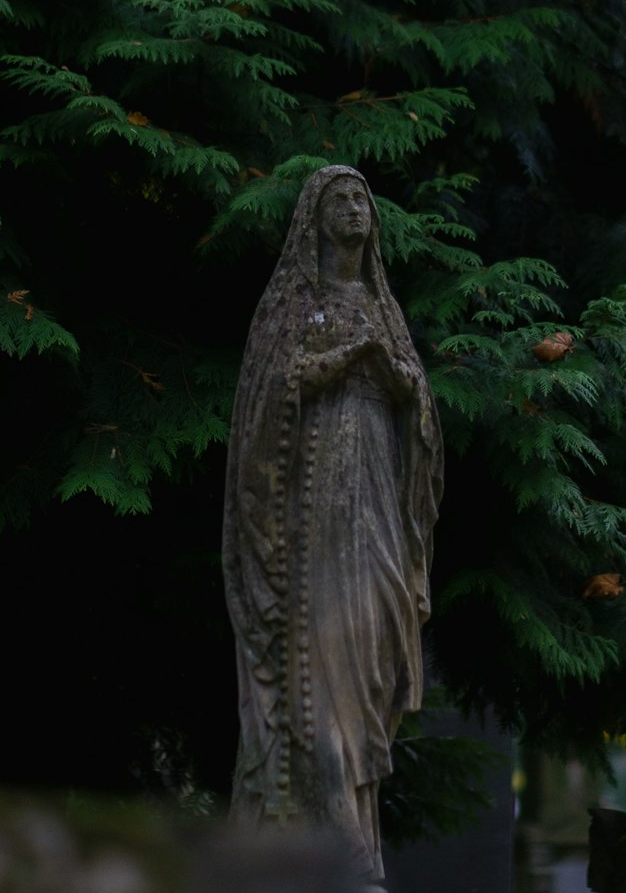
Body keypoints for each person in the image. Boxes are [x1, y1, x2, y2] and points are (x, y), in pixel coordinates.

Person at [223, 166, 443, 885]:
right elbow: (266, 397)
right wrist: (344, 360)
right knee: (320, 671)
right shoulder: (294, 304)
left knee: (370, 668)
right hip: (315, 515)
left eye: (362, 199)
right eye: (339, 199)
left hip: (376, 506)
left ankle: (356, 848)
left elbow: (421, 415)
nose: (354, 208)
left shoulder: (384, 310)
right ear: (313, 221)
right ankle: (345, 859)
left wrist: (400, 381)